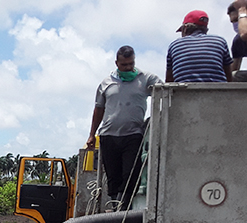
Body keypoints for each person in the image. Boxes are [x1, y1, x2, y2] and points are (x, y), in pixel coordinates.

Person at [86, 45, 162, 209]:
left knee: (131, 172)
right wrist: (92, 134)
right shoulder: (106, 83)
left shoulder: (145, 78)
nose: (128, 68)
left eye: (130, 64)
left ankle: (123, 206)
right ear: (116, 63)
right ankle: (114, 205)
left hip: (133, 134)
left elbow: (163, 90)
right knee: (113, 175)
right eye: (124, 65)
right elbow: (98, 109)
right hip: (108, 135)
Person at [166, 10, 233, 83]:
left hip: (184, 93)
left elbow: (169, 82)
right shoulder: (220, 41)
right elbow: (229, 77)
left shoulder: (175, 45)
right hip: (218, 93)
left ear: (185, 29)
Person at [227, 1, 247, 81]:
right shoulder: (238, 41)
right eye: (233, 22)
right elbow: (234, 69)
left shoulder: (244, 34)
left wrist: (242, 10)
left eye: (237, 19)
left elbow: (245, 34)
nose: (236, 24)